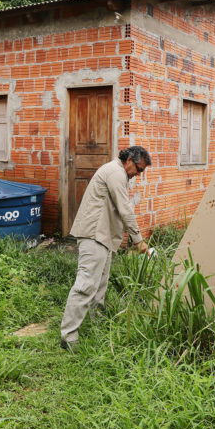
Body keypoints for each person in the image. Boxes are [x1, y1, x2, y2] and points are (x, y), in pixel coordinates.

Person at [60, 146, 151, 350]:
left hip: (103, 236)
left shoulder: (120, 173)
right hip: (94, 234)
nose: (139, 174)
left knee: (100, 284)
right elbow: (124, 208)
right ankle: (68, 336)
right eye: (138, 169)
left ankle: (96, 323)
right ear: (128, 160)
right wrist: (138, 240)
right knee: (85, 285)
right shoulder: (115, 173)